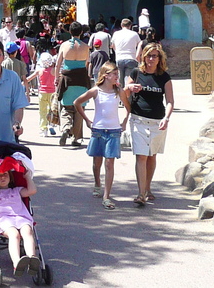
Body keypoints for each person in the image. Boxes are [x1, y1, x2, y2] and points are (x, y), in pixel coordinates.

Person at [74, 61, 129, 209]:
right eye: (115, 74)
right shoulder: (96, 91)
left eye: (118, 74)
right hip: (98, 130)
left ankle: (106, 195)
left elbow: (128, 108)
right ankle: (97, 183)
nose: (117, 77)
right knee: (97, 162)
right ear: (106, 75)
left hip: (114, 131)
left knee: (109, 163)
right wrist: (87, 120)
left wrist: (124, 122)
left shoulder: (119, 91)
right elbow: (77, 102)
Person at [124, 42, 174, 206]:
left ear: (160, 59)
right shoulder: (136, 73)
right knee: (141, 155)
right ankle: (140, 194)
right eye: (149, 55)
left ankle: (147, 188)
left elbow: (170, 101)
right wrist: (130, 87)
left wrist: (166, 118)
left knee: (152, 155)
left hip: (157, 121)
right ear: (143, 56)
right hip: (138, 119)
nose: (151, 59)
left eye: (155, 56)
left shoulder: (164, 77)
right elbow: (122, 93)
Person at [0, 157, 41, 276]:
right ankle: (17, 262)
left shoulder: (17, 190)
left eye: (5, 174)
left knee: (28, 232)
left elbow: (32, 191)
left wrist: (27, 176)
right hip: (4, 220)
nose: (2, 177)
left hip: (21, 217)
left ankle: (32, 258)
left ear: (10, 176)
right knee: (14, 235)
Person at [55, 22, 90, 148]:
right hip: (81, 78)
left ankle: (66, 127)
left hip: (67, 79)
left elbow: (58, 64)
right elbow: (87, 63)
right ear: (81, 32)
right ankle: (76, 138)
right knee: (79, 109)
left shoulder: (64, 45)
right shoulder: (86, 47)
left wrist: (56, 78)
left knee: (66, 107)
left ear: (70, 31)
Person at [27, 38, 58, 137]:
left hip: (42, 93)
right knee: (52, 110)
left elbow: (29, 78)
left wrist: (22, 83)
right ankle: (51, 124)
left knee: (42, 111)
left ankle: (43, 129)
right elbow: (60, 76)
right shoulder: (54, 70)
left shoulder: (39, 71)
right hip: (52, 93)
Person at [111, 18, 142, 87]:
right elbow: (140, 44)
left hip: (119, 58)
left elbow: (112, 45)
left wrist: (116, 52)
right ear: (130, 25)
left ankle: (120, 96)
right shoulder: (134, 34)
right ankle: (128, 97)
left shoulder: (116, 34)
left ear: (121, 25)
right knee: (129, 82)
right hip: (131, 58)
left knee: (119, 81)